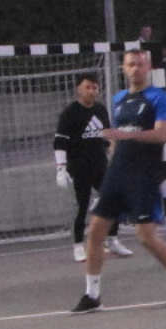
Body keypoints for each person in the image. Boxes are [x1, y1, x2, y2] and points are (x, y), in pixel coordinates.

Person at [71, 49, 166, 313]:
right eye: (131, 64)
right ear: (124, 69)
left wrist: (125, 135)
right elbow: (116, 137)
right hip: (118, 173)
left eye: (140, 64)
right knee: (96, 231)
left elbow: (161, 135)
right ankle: (92, 295)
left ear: (148, 68)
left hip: (144, 174)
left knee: (145, 237)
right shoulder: (119, 99)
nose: (135, 68)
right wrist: (113, 151)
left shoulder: (159, 98)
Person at [53, 75, 133, 262]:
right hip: (79, 167)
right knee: (81, 205)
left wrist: (115, 154)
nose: (92, 91)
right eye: (88, 87)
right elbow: (60, 141)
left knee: (113, 199)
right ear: (78, 89)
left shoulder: (100, 110)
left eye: (95, 88)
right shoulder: (70, 113)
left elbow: (108, 137)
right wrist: (60, 168)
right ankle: (78, 245)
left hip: (100, 165)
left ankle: (112, 240)